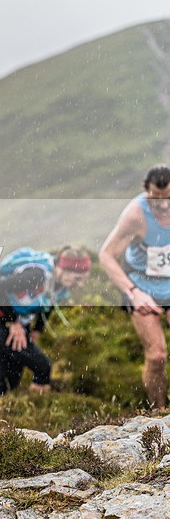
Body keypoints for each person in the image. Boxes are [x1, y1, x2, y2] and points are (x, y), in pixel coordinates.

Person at [100, 164, 170, 409]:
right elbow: (106, 255)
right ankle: (159, 412)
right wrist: (133, 292)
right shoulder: (135, 214)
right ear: (145, 189)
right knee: (157, 356)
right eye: (155, 198)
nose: (162, 205)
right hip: (141, 287)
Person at [0, 246, 91, 401]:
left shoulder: (60, 284)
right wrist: (13, 323)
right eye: (77, 279)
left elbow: (48, 305)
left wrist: (37, 330)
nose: (80, 285)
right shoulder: (37, 275)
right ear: (62, 269)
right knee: (42, 367)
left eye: (83, 280)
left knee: (10, 378)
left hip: (20, 321)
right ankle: (39, 408)